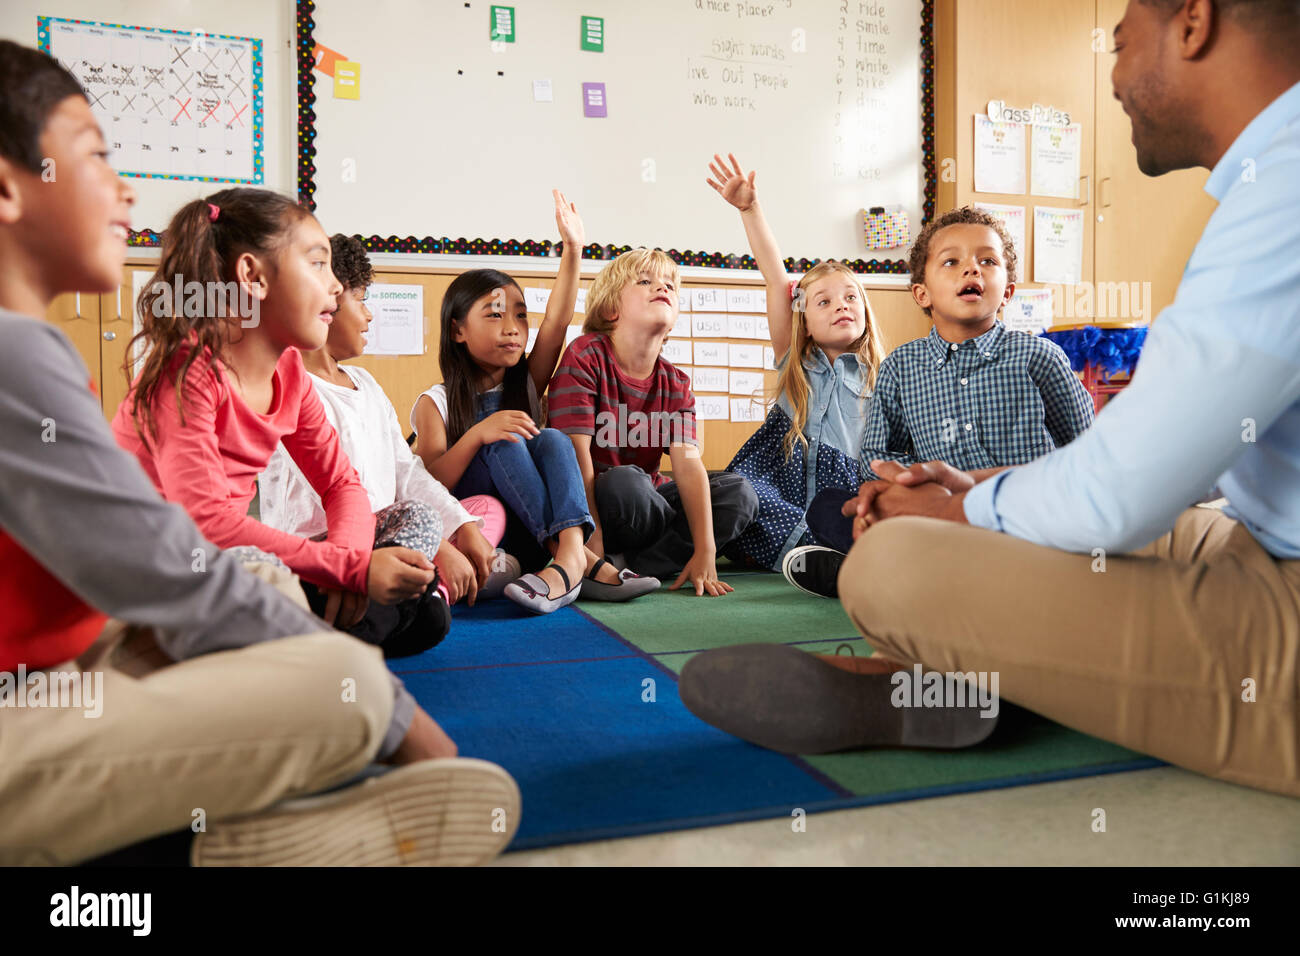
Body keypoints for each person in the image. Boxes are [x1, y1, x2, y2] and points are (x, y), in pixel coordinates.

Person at [680, 0, 1300, 799]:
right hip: (1257, 540)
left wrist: (953, 511)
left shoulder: (1280, 194)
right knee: (967, 531)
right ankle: (968, 677)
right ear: (920, 290)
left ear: (1193, 22)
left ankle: (949, 684)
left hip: (1275, 587)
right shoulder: (1267, 180)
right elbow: (1148, 478)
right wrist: (970, 492)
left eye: (1118, 42)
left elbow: (1110, 483)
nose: (1111, 78)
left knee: (891, 569)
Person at [0, 39, 518, 865]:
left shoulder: (273, 374)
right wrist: (392, 706)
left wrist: (341, 566)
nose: (126, 189)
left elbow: (343, 487)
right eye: (95, 155)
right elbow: (183, 548)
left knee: (274, 590)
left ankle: (225, 824)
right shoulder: (81, 363)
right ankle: (220, 841)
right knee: (341, 691)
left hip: (86, 646)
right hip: (55, 678)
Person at [783, 206, 1093, 599]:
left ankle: (880, 571)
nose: (972, 270)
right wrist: (911, 482)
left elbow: (1088, 453)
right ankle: (918, 569)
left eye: (987, 261)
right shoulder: (900, 367)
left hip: (1023, 515)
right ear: (922, 293)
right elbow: (875, 455)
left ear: (1008, 292)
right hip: (936, 516)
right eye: (952, 261)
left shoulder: (1039, 358)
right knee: (832, 505)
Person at [412, 192, 658, 613]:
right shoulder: (434, 403)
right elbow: (431, 483)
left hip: (534, 523)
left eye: (520, 316)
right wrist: (476, 436)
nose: (512, 328)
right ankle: (580, 562)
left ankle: (568, 558)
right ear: (457, 331)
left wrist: (574, 249)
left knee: (553, 440)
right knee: (505, 439)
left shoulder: (523, 381)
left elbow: (558, 321)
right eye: (494, 315)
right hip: (487, 527)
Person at [259, 233, 520, 607]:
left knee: (474, 518)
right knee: (422, 522)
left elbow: (406, 470)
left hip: (386, 537)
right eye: (362, 301)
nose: (369, 315)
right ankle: (425, 586)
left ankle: (428, 589)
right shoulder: (290, 387)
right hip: (323, 550)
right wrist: (439, 546)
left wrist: (460, 527)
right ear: (325, 304)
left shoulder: (366, 384)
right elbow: (326, 499)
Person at [705, 153, 888, 577]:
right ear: (803, 316)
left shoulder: (884, 374)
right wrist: (750, 209)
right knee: (740, 494)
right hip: (779, 485)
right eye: (824, 301)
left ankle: (827, 556)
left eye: (850, 297)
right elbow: (775, 276)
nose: (840, 306)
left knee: (864, 510)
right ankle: (813, 555)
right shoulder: (796, 360)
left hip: (844, 489)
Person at [549, 248, 759, 595]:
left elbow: (689, 467)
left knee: (739, 493)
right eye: (645, 281)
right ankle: (606, 560)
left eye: (670, 286)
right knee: (625, 482)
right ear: (610, 309)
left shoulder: (676, 382)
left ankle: (627, 566)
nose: (661, 287)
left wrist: (706, 550)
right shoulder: (586, 356)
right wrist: (593, 542)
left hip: (649, 502)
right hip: (603, 503)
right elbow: (575, 458)